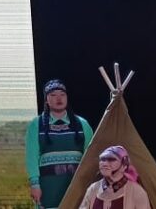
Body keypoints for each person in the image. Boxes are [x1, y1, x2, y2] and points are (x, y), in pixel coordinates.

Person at [25, 80, 94, 209]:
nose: (59, 98)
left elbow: (91, 156)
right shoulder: (36, 124)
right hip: (48, 185)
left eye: (62, 94)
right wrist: (34, 184)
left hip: (75, 184)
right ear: (46, 100)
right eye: (53, 95)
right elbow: (32, 157)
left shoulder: (82, 124)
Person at [78, 145, 149, 209]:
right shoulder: (93, 189)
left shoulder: (136, 191)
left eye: (111, 159)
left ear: (124, 165)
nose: (105, 164)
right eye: (102, 159)